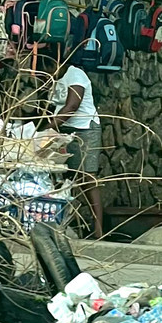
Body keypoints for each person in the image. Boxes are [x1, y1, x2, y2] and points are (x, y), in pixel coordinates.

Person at [46, 60, 104, 237]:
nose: (48, 70)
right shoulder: (54, 80)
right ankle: (63, 224)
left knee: (87, 178)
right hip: (64, 130)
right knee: (63, 176)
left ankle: (98, 230)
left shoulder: (75, 74)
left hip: (85, 128)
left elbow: (72, 106)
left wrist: (49, 128)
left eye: (49, 66)